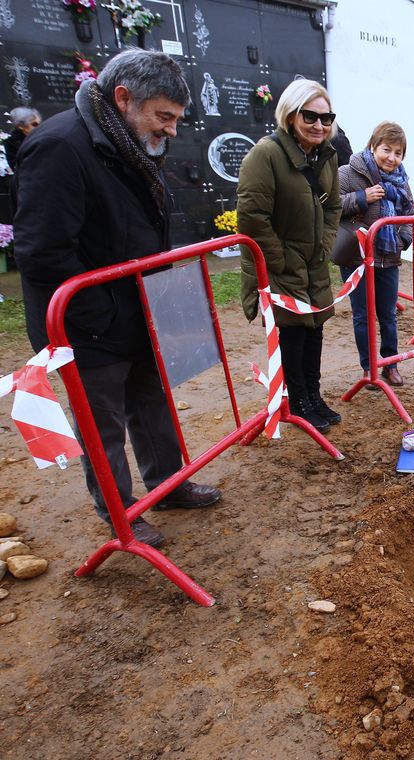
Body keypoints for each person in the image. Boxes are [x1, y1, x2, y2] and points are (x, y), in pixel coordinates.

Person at [14, 50, 221, 548]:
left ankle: (167, 484)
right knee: (102, 422)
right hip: (87, 324)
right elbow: (42, 252)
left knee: (152, 403)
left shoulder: (127, 140)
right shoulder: (59, 147)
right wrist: (101, 314)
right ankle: (120, 512)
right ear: (124, 99)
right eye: (164, 117)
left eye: (177, 119)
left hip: (138, 309)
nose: (172, 130)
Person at [237, 78, 341, 433]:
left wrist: (323, 246)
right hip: (281, 266)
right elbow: (252, 217)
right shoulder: (266, 155)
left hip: (313, 263)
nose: (319, 125)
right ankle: (297, 401)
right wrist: (279, 260)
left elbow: (334, 206)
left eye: (326, 118)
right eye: (309, 116)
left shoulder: (326, 155)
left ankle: (313, 395)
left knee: (315, 330)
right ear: (291, 114)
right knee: (293, 333)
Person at [333, 121, 414, 387]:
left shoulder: (402, 181)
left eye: (398, 152)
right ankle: (369, 368)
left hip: (388, 257)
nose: (392, 158)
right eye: (386, 150)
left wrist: (403, 240)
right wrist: (361, 197)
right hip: (356, 257)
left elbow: (410, 214)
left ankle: (389, 365)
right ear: (373, 146)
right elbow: (330, 207)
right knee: (362, 315)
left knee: (388, 315)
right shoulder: (348, 172)